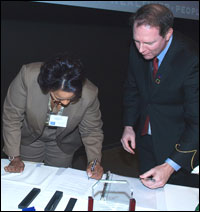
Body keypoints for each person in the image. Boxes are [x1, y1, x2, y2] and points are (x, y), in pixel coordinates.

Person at [121, 4, 199, 188]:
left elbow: (197, 122)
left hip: (179, 143)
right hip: (145, 137)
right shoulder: (139, 46)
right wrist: (129, 125)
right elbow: (132, 88)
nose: (141, 49)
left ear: (168, 34)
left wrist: (171, 165)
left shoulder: (191, 60)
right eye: (136, 41)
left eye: (149, 43)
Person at [2, 52, 104, 180]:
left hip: (63, 139)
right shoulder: (28, 76)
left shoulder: (89, 93)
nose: (66, 103)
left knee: (57, 178)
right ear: (48, 87)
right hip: (31, 135)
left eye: (71, 99)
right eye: (59, 98)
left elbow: (91, 130)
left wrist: (94, 162)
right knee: (28, 176)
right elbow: (12, 117)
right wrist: (14, 157)